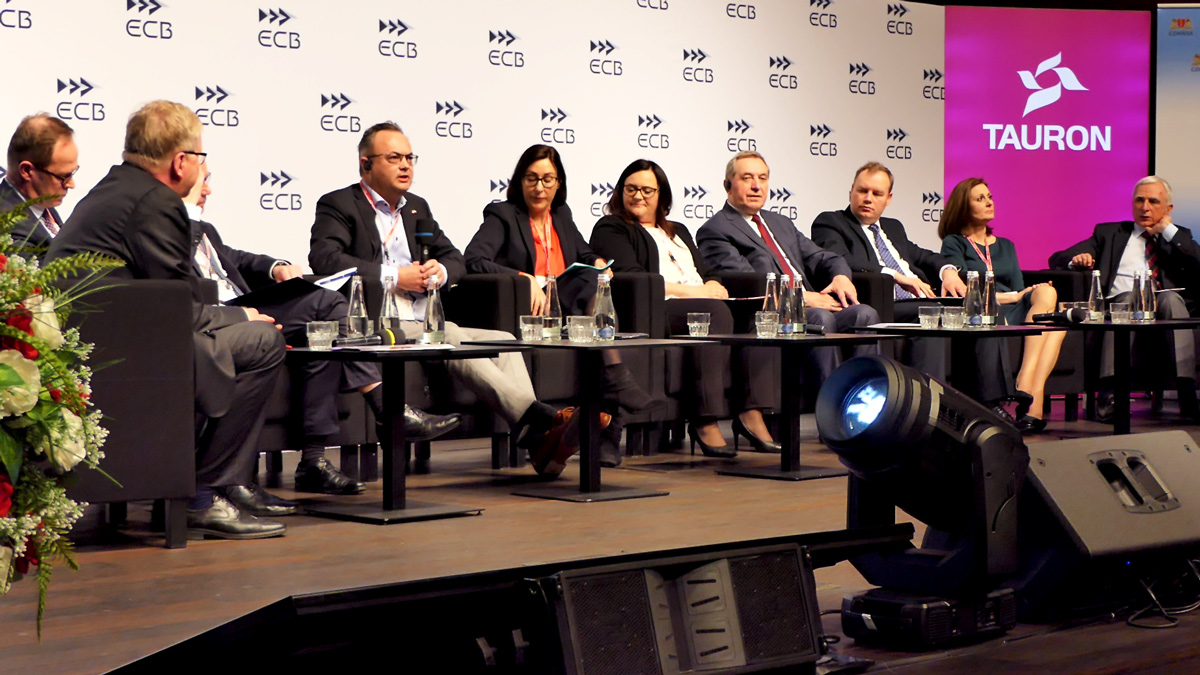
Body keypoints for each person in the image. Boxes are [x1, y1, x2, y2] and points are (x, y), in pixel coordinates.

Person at [46, 101, 287, 540]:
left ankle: (206, 490)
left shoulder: (113, 187)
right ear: (180, 162)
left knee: (240, 334)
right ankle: (204, 494)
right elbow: (176, 309)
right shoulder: (156, 201)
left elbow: (165, 297)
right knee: (263, 341)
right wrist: (240, 314)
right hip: (121, 354)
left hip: (97, 342)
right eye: (200, 156)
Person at [309, 123, 580, 476]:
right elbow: (325, 259)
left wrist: (440, 271)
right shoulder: (339, 204)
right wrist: (395, 277)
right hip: (378, 323)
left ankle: (537, 442)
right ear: (366, 164)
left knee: (504, 341)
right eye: (394, 158)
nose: (405, 165)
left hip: (425, 318)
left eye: (410, 158)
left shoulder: (416, 208)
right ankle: (539, 418)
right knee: (447, 334)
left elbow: (456, 258)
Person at [183, 165, 460, 497]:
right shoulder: (169, 228)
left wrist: (275, 266)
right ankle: (386, 409)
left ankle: (316, 461)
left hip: (248, 307)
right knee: (326, 306)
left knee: (324, 330)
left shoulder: (205, 230)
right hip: (220, 318)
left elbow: (236, 259)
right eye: (203, 181)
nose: (208, 190)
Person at [463, 145, 665, 467]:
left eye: (547, 179)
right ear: (520, 181)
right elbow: (474, 259)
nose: (539, 187)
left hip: (570, 308)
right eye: (531, 178)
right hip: (531, 311)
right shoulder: (503, 215)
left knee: (594, 281)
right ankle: (616, 395)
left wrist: (597, 261)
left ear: (559, 183)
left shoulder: (561, 215)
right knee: (593, 297)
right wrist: (524, 278)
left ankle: (609, 426)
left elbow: (584, 253)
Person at [590, 158, 778, 457]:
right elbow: (634, 278)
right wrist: (698, 293)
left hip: (700, 299)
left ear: (661, 195)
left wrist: (713, 285)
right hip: (657, 309)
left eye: (647, 190)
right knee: (713, 313)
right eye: (631, 189)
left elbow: (706, 270)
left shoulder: (678, 230)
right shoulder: (612, 227)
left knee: (760, 314)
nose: (638, 196)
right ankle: (705, 420)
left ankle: (751, 412)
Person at [811, 162, 1019, 420]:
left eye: (877, 193)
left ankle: (988, 404)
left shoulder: (893, 227)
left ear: (888, 198)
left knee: (982, 308)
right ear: (851, 191)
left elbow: (923, 255)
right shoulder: (830, 222)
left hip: (916, 301)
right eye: (862, 191)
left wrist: (948, 271)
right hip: (880, 302)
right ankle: (929, 410)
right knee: (931, 313)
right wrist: (894, 276)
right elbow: (839, 259)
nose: (868, 199)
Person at [696, 151, 880, 384]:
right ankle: (829, 399)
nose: (756, 186)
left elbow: (820, 256)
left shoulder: (780, 222)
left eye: (762, 178)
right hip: (770, 316)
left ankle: (865, 392)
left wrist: (841, 276)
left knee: (865, 315)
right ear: (728, 186)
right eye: (747, 178)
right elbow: (746, 282)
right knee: (819, 318)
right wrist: (801, 298)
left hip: (812, 305)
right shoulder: (716, 229)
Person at [1049, 176, 1200, 422]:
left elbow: (1197, 263)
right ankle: (1109, 395)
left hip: (1163, 308)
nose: (1145, 207)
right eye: (1139, 200)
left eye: (1153, 201)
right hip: (1121, 305)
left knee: (1172, 299)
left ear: (1168, 208)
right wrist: (1075, 261)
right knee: (1130, 297)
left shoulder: (1178, 237)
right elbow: (1057, 258)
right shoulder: (1110, 233)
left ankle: (1187, 393)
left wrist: (1168, 231)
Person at [940, 177, 1065, 433]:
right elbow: (964, 289)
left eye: (990, 197)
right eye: (980, 199)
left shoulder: (1006, 245)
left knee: (1049, 294)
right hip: (985, 309)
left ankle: (1025, 381)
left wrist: (1024, 294)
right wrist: (1011, 297)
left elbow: (1018, 287)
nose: (989, 203)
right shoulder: (954, 242)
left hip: (1015, 307)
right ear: (964, 207)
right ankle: (1034, 404)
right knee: (1056, 323)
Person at [2, 114, 78, 251]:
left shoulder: (42, 204)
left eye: (72, 173)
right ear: (27, 171)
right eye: (63, 176)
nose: (71, 184)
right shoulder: (8, 227)